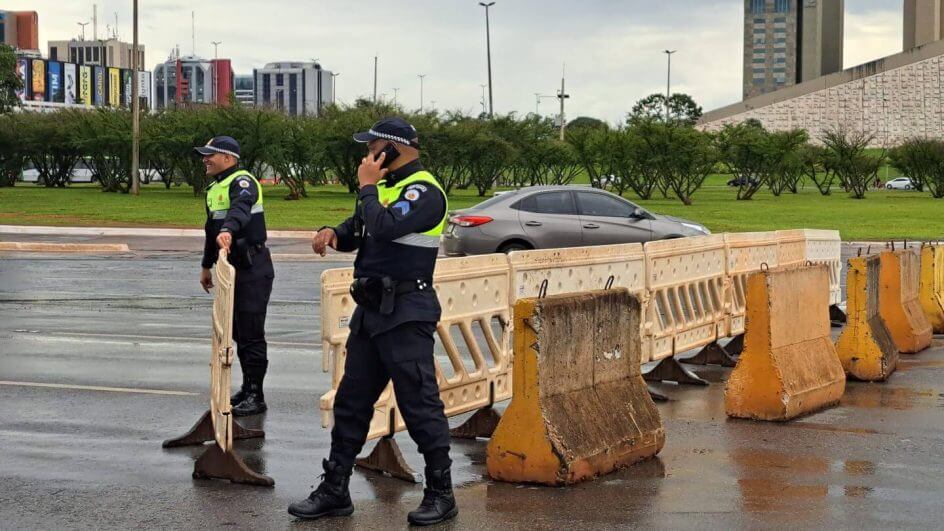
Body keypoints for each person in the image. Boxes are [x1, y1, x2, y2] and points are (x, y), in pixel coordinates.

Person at [288, 118, 457, 526]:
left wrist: (365, 185)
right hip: (372, 312)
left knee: (419, 405)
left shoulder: (424, 191)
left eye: (373, 146)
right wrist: (333, 233)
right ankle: (335, 489)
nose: (367, 154)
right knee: (351, 403)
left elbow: (383, 226)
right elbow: (360, 229)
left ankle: (441, 492)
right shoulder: (383, 189)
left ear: (394, 148)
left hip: (406, 311)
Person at [195, 136, 274, 417]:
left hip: (253, 266)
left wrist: (228, 228)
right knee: (238, 331)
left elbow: (241, 210)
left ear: (228, 158)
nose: (205, 159)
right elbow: (210, 232)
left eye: (210, 155)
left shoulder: (243, 181)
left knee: (251, 333)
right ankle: (247, 387)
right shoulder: (214, 188)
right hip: (231, 268)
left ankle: (257, 394)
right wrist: (207, 266)